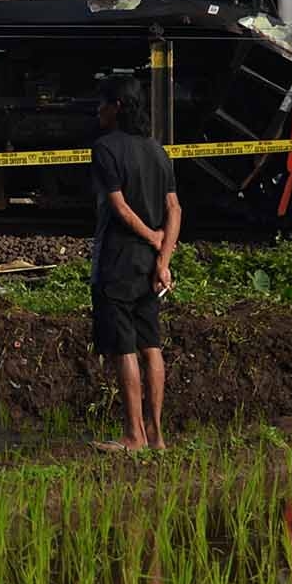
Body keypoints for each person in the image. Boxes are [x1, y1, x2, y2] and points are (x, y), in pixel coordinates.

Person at [89, 78, 179, 452]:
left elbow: (120, 207)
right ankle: (157, 435)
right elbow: (174, 208)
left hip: (118, 260)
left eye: (103, 104)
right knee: (151, 344)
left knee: (124, 347)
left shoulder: (105, 148)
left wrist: (152, 238)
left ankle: (133, 435)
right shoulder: (157, 150)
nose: (99, 111)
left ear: (118, 107)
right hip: (150, 265)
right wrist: (164, 258)